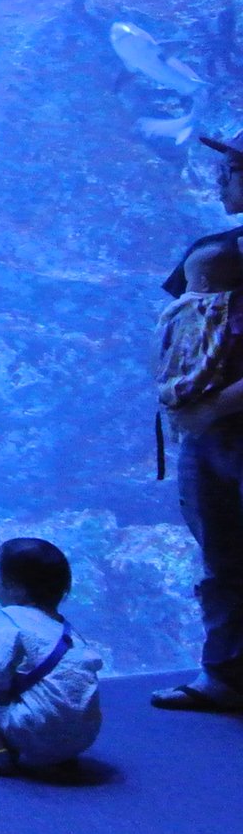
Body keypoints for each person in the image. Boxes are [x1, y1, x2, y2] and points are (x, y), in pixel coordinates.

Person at [152, 133, 243, 712]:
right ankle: (226, 674)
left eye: (232, 168)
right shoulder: (214, 247)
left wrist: (216, 404)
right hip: (204, 436)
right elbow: (183, 329)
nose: (221, 178)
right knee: (221, 556)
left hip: (221, 426)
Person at [0, 538, 103, 774]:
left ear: (13, 587)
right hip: (85, 736)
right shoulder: (63, 628)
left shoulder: (10, 619)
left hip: (36, 731)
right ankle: (59, 754)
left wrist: (7, 692)